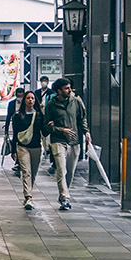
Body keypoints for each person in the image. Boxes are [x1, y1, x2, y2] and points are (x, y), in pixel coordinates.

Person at [44, 78, 89, 210]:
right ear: (59, 91)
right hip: (58, 141)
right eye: (67, 88)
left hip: (74, 142)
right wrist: (60, 130)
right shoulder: (51, 105)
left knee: (70, 172)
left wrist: (87, 133)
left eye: (70, 88)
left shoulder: (76, 102)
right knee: (61, 170)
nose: (70, 90)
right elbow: (46, 126)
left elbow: (82, 119)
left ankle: (64, 192)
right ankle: (65, 198)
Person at [10, 89, 47, 210]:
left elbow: (44, 132)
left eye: (32, 98)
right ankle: (28, 197)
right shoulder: (18, 116)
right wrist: (13, 150)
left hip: (36, 146)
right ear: (24, 100)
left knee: (33, 173)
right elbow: (15, 134)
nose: (30, 100)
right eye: (28, 98)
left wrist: (50, 126)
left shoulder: (39, 115)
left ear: (35, 100)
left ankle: (28, 193)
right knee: (26, 171)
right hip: (22, 146)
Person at [4, 86, 29, 174]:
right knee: (15, 142)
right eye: (18, 96)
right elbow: (8, 116)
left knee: (23, 143)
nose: (20, 98)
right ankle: (16, 159)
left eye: (21, 96)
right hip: (16, 126)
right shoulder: (12, 104)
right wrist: (6, 128)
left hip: (25, 126)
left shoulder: (26, 103)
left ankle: (20, 161)